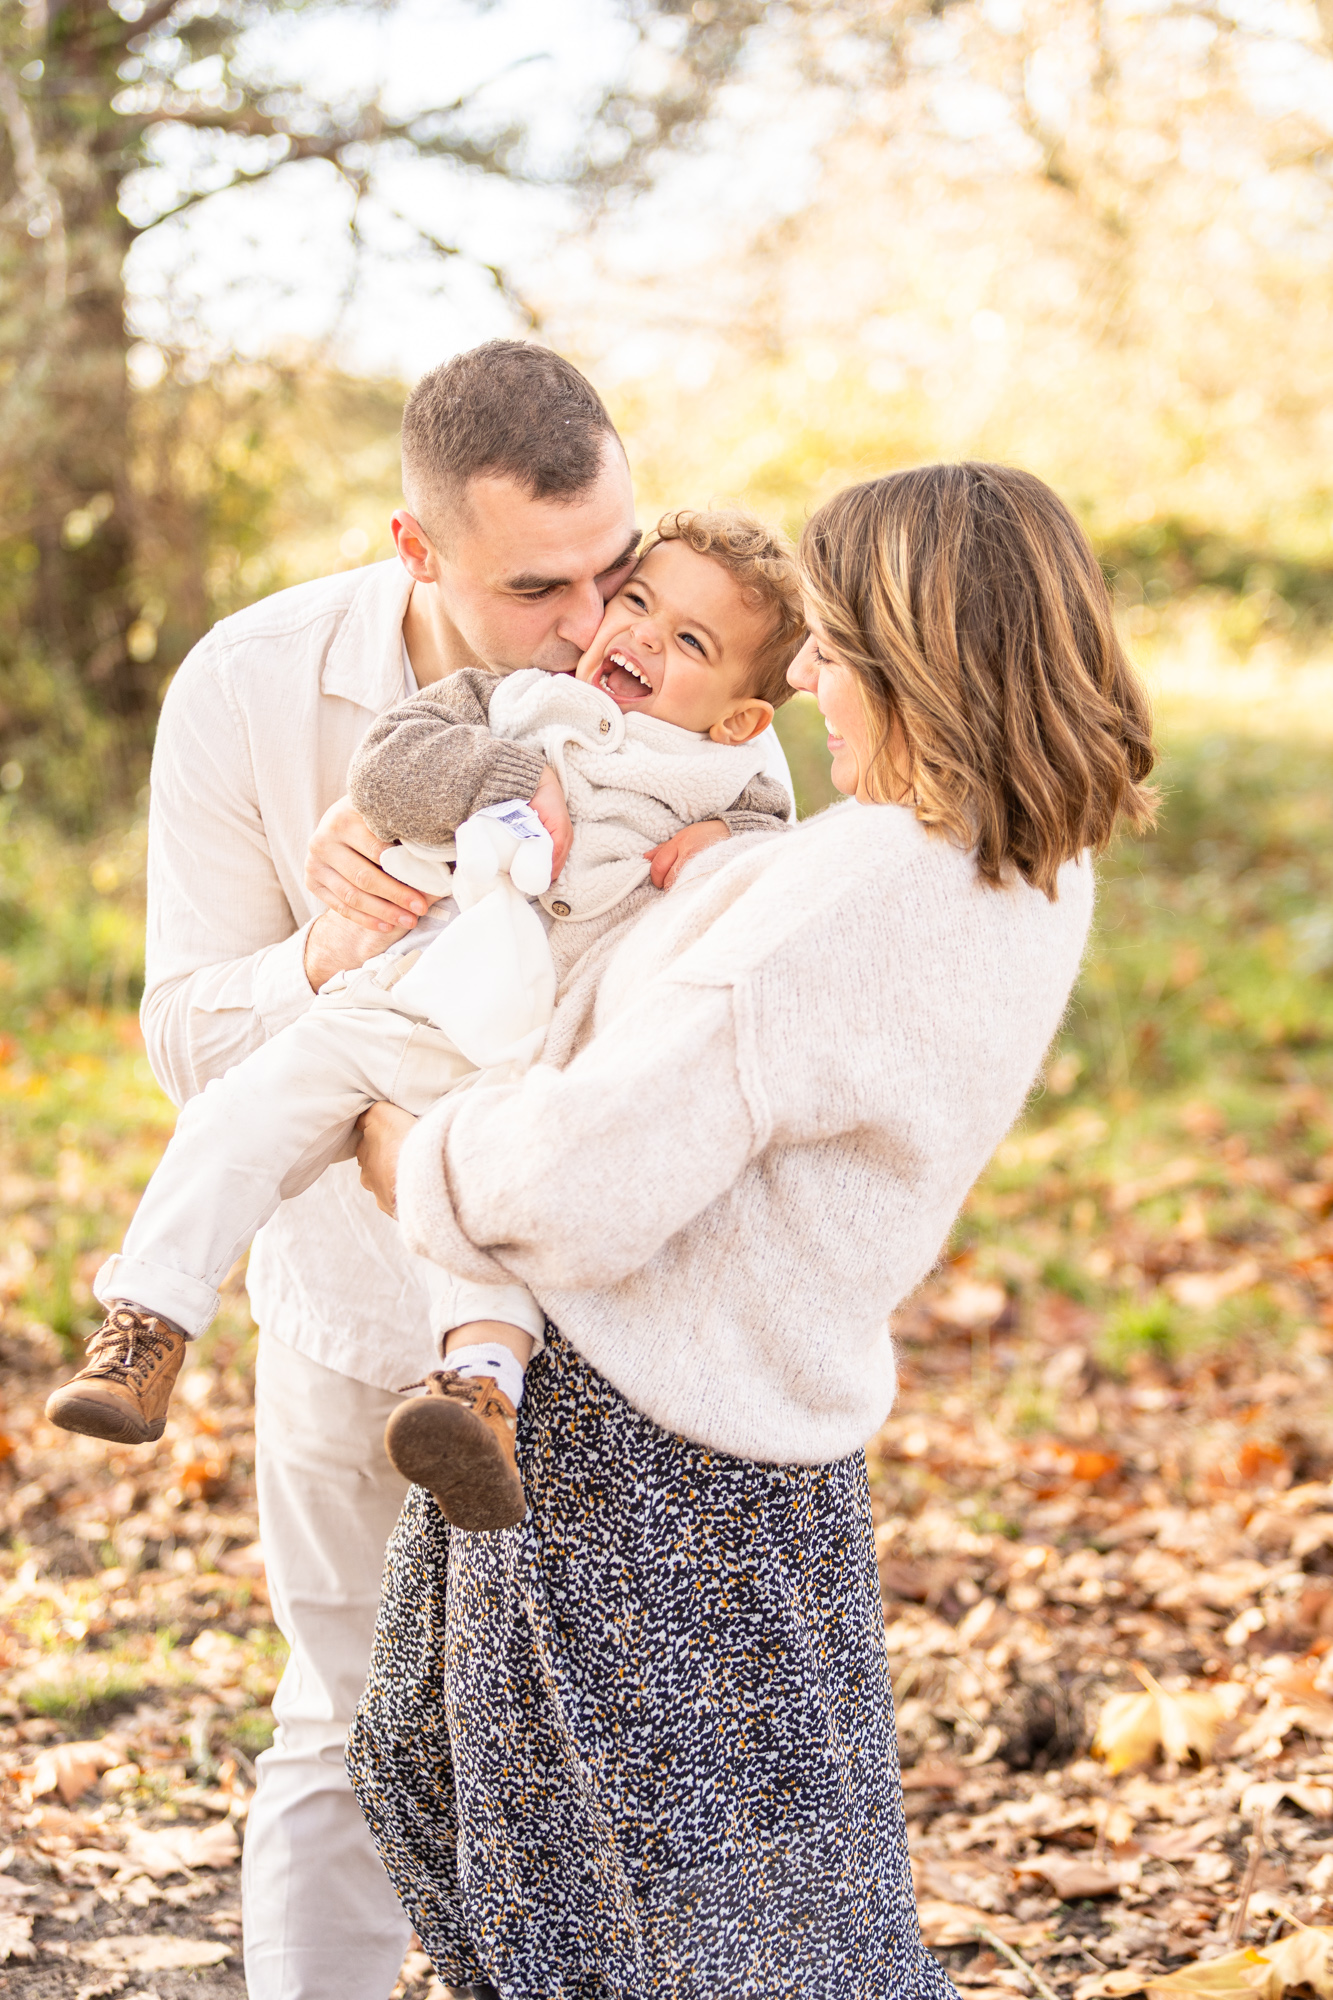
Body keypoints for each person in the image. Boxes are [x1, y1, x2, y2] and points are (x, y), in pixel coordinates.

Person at [345, 461, 1156, 1997]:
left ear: (920, 656)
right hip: (760, 1435)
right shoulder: (1028, 863)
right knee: (740, 1904)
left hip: (626, 1454)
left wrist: (415, 1156)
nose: (814, 679)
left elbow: (585, 1177)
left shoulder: (843, 894)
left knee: (628, 1918)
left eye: (837, 645)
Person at [55, 336, 795, 2000]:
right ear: (416, 552)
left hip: (579, 1308)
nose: (595, 623)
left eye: (614, 567)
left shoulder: (707, 700)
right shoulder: (247, 690)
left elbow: (729, 1032)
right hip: (338, 1298)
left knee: (588, 1763)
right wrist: (325, 953)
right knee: (331, 1729)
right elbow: (187, 1044)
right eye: (541, 587)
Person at [52, 511, 800, 1543]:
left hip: (524, 1053)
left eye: (689, 643)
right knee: (239, 1116)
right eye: (637, 602)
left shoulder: (735, 784)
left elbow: (780, 885)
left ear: (738, 717)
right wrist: (503, 774)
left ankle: (477, 1395)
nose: (636, 634)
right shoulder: (510, 699)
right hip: (401, 993)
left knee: (469, 1212)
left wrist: (728, 841)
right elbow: (389, 764)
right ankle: (147, 1325)